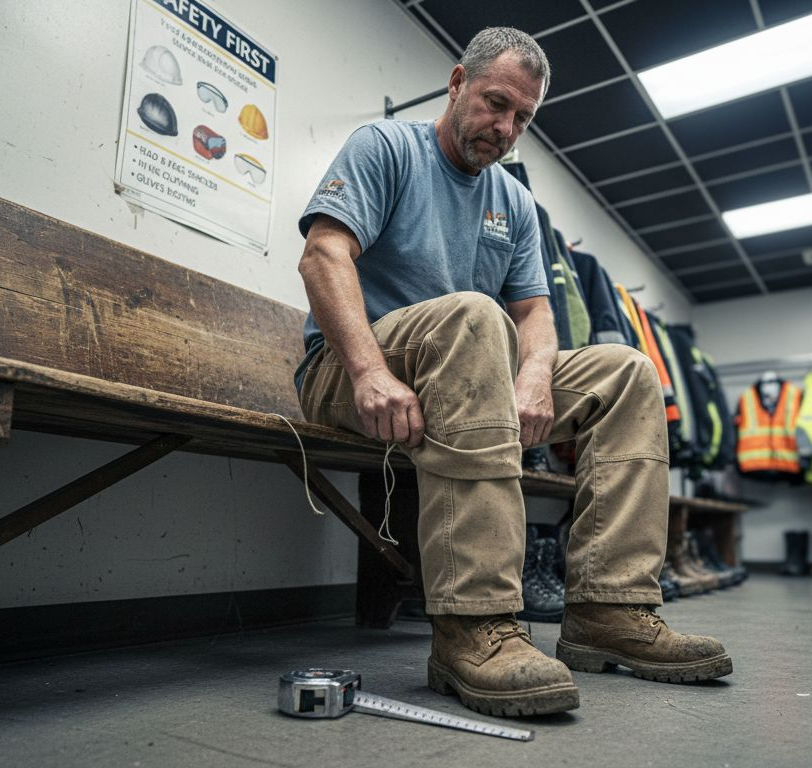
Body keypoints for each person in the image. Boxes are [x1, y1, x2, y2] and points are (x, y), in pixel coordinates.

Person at [294, 27, 732, 718]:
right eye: (495, 103)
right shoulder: (386, 148)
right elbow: (324, 255)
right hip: (350, 375)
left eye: (523, 117)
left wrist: (533, 378)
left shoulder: (516, 202)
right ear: (457, 82)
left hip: (465, 371)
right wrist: (370, 371)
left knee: (625, 370)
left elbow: (535, 315)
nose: (505, 127)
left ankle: (608, 610)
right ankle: (474, 627)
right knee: (474, 317)